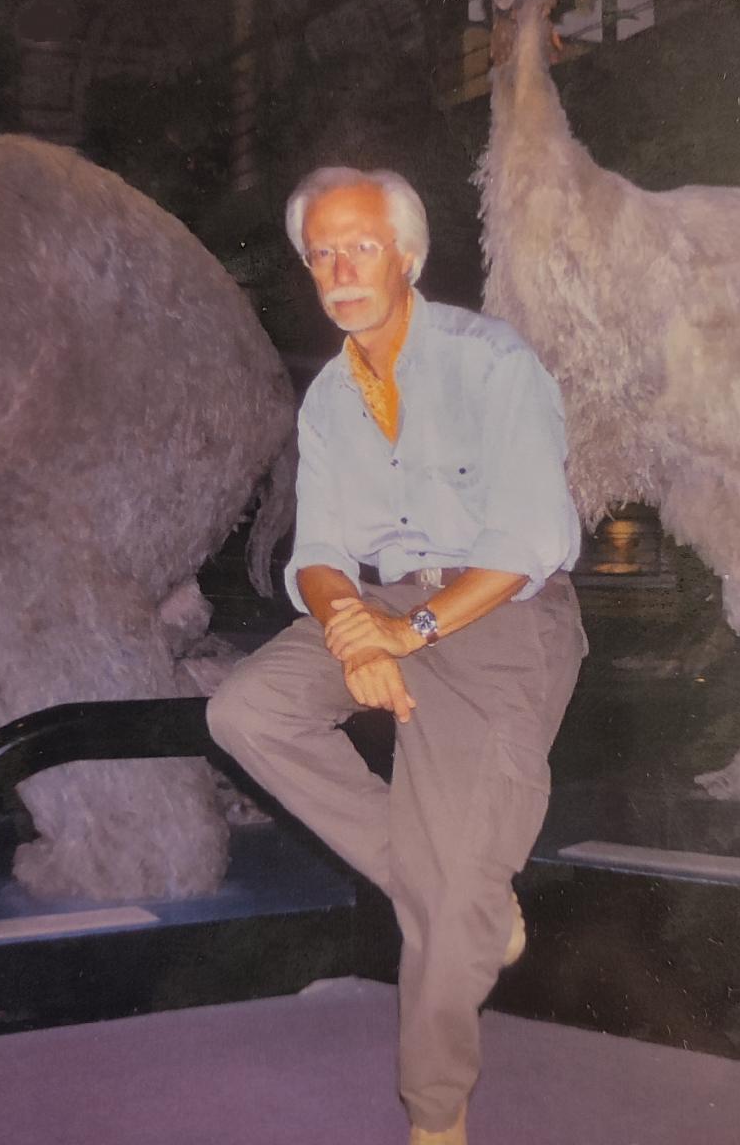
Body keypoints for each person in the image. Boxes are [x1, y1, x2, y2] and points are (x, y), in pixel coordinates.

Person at [207, 166, 587, 1145]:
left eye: (362, 247)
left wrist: (407, 636)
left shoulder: (491, 362)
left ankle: (434, 1118)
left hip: (501, 614)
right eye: (322, 254)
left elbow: (530, 540)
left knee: (450, 901)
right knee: (245, 710)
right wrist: (353, 628)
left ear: (408, 257)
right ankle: (462, 896)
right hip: (381, 604)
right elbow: (319, 556)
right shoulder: (330, 400)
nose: (340, 270)